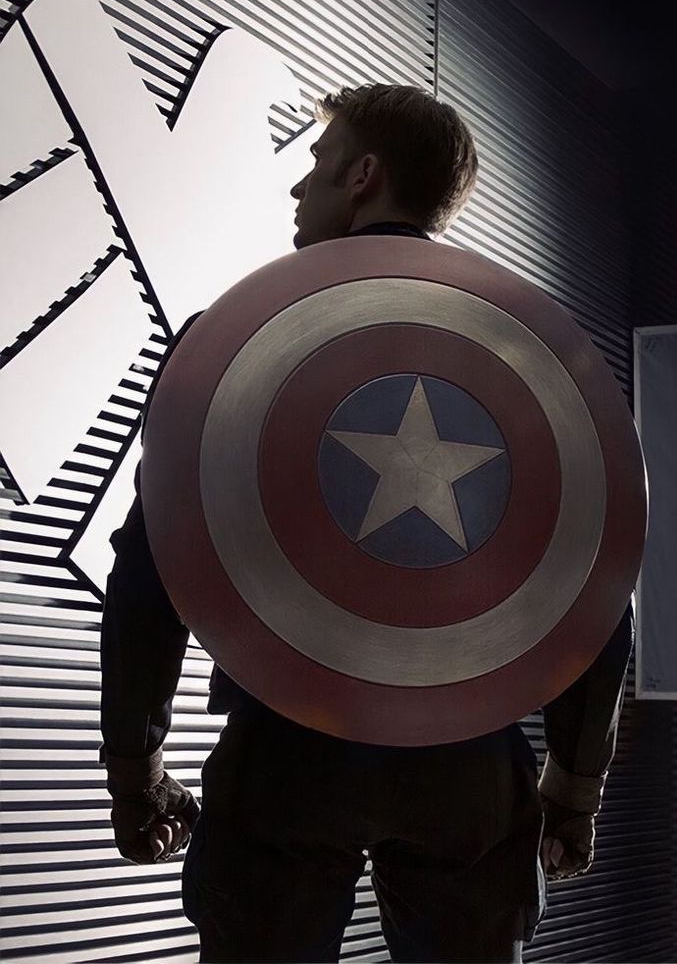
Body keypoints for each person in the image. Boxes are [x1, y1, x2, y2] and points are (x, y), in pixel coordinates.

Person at [99, 83, 635, 963]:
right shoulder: (531, 358)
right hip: (465, 757)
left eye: (316, 163)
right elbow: (598, 582)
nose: (298, 189)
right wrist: (575, 789)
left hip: (285, 747)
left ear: (364, 176)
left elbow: (152, 570)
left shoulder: (234, 339)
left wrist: (135, 771)